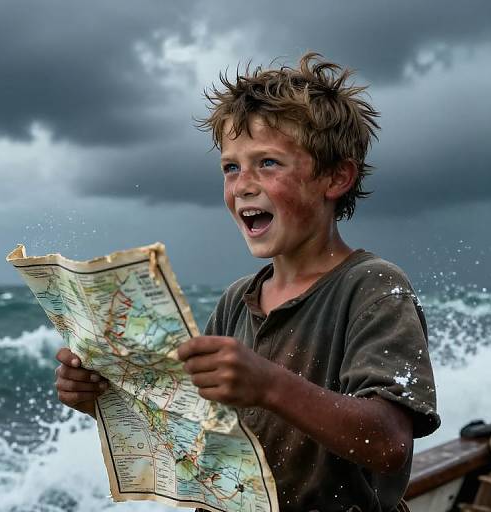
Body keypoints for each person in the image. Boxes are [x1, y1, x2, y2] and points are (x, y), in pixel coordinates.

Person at [55, 53, 440, 511]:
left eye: (269, 163)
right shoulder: (237, 300)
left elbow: (390, 442)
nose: (242, 186)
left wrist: (270, 386)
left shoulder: (372, 287)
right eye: (230, 167)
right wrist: (105, 398)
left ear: (337, 176)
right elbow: (196, 438)